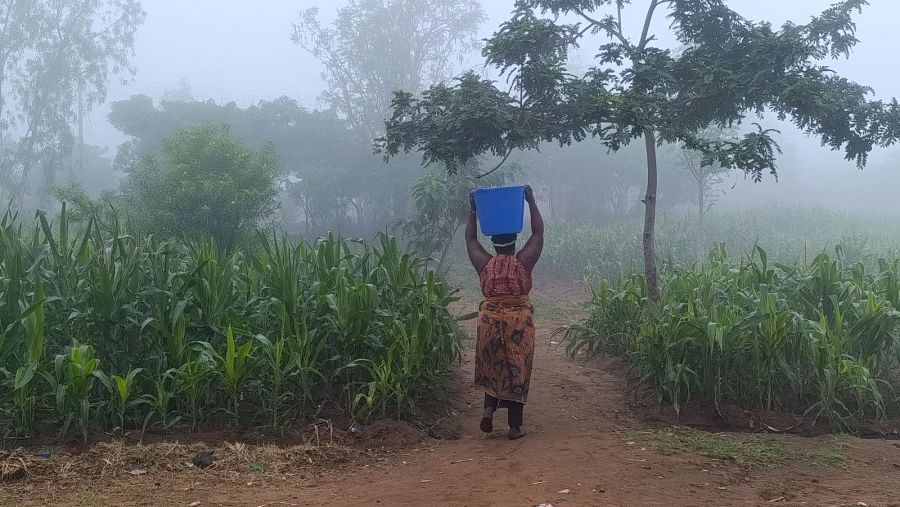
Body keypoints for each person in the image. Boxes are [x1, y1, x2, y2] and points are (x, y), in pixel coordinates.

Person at [466, 185, 544, 440]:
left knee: (493, 365)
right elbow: (538, 233)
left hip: (489, 321)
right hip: (517, 325)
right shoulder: (523, 262)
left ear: (494, 242)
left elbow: (470, 240)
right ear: (514, 239)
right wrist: (531, 201)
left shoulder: (484, 264)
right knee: (517, 368)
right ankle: (514, 427)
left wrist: (473, 210)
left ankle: (489, 408)